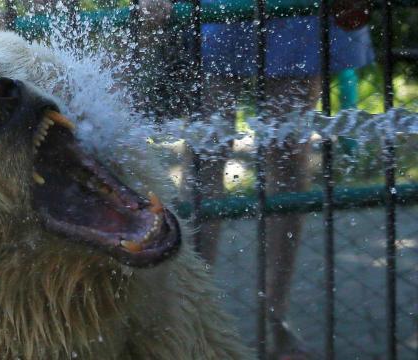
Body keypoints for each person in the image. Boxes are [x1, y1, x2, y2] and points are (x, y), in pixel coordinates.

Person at [143, 0, 374, 358]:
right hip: (217, 9)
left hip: (296, 12)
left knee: (287, 154)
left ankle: (275, 320)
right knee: (207, 151)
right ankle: (192, 317)